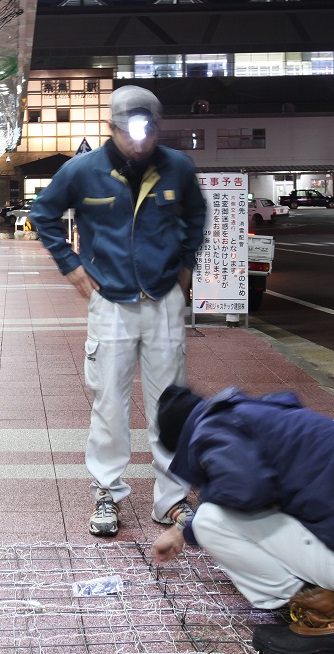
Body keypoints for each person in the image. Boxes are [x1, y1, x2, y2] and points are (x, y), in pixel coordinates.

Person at [150, 384, 334, 654]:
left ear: (181, 440)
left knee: (212, 521)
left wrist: (191, 526)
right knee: (276, 501)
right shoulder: (255, 414)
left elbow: (247, 490)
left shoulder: (207, 431)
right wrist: (181, 531)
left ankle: (326, 620)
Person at [28, 86, 208, 539]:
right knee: (109, 400)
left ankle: (171, 500)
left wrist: (187, 264)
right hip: (110, 302)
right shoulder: (83, 171)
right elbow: (43, 213)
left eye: (147, 132)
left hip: (164, 300)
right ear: (111, 128)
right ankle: (106, 491)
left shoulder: (177, 167)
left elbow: (196, 214)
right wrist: (71, 267)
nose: (140, 142)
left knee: (171, 405)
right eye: (130, 132)